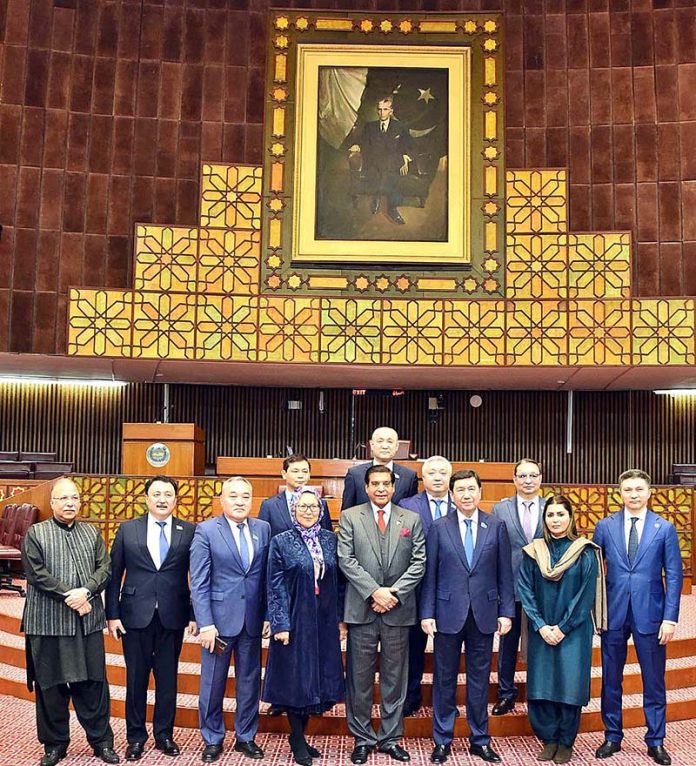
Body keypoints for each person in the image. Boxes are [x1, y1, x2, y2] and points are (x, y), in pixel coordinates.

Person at [21, 478, 119, 766]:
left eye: (74, 498)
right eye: (63, 498)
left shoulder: (91, 533)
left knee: (93, 685)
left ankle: (101, 742)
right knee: (50, 687)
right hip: (48, 622)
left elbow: (105, 568)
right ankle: (54, 745)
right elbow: (36, 573)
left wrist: (87, 591)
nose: (69, 503)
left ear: (80, 501)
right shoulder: (36, 533)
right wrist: (71, 595)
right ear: (52, 503)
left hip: (86, 623)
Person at [420, 469, 514, 764]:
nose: (466, 495)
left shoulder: (495, 525)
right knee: (444, 679)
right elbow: (429, 574)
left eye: (471, 489)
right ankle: (442, 740)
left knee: (479, 680)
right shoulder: (438, 527)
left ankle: (480, 739)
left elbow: (505, 574)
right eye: (460, 490)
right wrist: (427, 613)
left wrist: (507, 611)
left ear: (480, 491)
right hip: (447, 613)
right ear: (452, 494)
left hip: (484, 615)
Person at [593, 469, 682, 766]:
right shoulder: (604, 526)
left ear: (649, 492)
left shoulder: (665, 528)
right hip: (613, 615)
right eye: (628, 489)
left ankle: (655, 740)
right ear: (620, 493)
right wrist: (596, 613)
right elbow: (594, 574)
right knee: (611, 680)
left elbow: (674, 575)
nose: (633, 495)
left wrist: (670, 618)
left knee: (654, 681)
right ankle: (612, 736)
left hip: (652, 616)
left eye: (638, 490)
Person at [338, 464, 426, 764]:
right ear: (365, 487)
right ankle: (362, 738)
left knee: (395, 679)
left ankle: (390, 737)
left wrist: (393, 594)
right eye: (374, 483)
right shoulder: (350, 517)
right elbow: (345, 560)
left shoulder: (410, 519)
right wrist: (375, 592)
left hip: (398, 611)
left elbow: (419, 563)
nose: (380, 488)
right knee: (359, 680)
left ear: (393, 486)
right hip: (362, 608)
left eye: (385, 483)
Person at [105, 475, 197, 761]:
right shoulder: (127, 530)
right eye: (156, 493)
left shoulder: (189, 531)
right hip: (134, 615)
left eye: (168, 494)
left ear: (175, 499)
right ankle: (135, 737)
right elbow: (113, 574)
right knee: (136, 679)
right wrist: (112, 614)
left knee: (168, 679)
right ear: (146, 498)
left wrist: (195, 614)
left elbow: (198, 577)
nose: (162, 499)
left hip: (173, 614)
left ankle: (164, 735)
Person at [518, 495, 606, 764]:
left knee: (569, 683)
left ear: (571, 518)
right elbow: (525, 590)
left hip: (574, 630)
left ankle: (566, 740)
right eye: (550, 515)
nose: (555, 520)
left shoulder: (585, 552)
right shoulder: (533, 552)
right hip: (541, 628)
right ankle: (549, 738)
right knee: (542, 683)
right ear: (545, 520)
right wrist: (541, 625)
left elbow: (585, 595)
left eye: (560, 514)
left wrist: (563, 627)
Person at [190, 477, 271, 763]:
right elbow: (199, 582)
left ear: (252, 500)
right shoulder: (206, 531)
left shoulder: (263, 528)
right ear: (222, 500)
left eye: (245, 496)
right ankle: (212, 738)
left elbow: (265, 578)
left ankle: (245, 737)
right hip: (219, 624)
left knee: (249, 682)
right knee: (212, 683)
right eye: (234, 496)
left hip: (251, 621)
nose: (240, 502)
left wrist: (267, 615)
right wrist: (206, 623)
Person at [262, 489, 347, 765]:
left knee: (318, 680)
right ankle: (297, 738)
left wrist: (340, 619)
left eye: (314, 507)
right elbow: (274, 586)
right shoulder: (281, 541)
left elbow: (340, 583)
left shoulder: (330, 540)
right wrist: (280, 623)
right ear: (293, 510)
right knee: (296, 680)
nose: (308, 511)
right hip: (294, 620)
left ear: (321, 511)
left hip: (323, 621)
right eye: (303, 506)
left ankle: (302, 734)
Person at [399, 456, 455, 717]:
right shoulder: (407, 505)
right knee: (413, 646)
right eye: (432, 472)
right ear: (423, 477)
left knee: (449, 647)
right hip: (416, 588)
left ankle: (446, 700)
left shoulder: (462, 503)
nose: (438, 477)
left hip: (452, 589)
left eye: (443, 472)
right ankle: (411, 696)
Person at [491, 458, 546, 716]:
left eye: (533, 475)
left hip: (544, 587)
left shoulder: (551, 508)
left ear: (540, 478)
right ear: (513, 480)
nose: (528, 481)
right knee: (508, 643)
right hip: (509, 585)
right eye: (522, 476)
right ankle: (506, 693)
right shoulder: (500, 510)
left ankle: (538, 693)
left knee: (539, 643)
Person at [348, 95, 414, 225]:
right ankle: (381, 198)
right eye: (379, 109)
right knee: (384, 172)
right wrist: (357, 145)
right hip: (374, 163)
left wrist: (406, 157)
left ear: (391, 111)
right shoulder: (369, 127)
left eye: (385, 109)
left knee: (393, 170)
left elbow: (410, 145)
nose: (382, 112)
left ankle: (390, 207)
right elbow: (361, 141)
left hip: (392, 163)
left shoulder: (400, 127)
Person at [341, 426, 418, 511]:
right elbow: (346, 513)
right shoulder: (355, 474)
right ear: (372, 445)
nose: (385, 446)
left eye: (390, 442)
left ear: (396, 446)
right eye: (380, 441)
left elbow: (411, 513)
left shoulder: (409, 477)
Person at [258, 454, 333, 537]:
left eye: (305, 471)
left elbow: (327, 537)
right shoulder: (269, 505)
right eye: (295, 471)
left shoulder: (321, 504)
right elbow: (263, 539)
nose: (300, 476)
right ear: (284, 474)